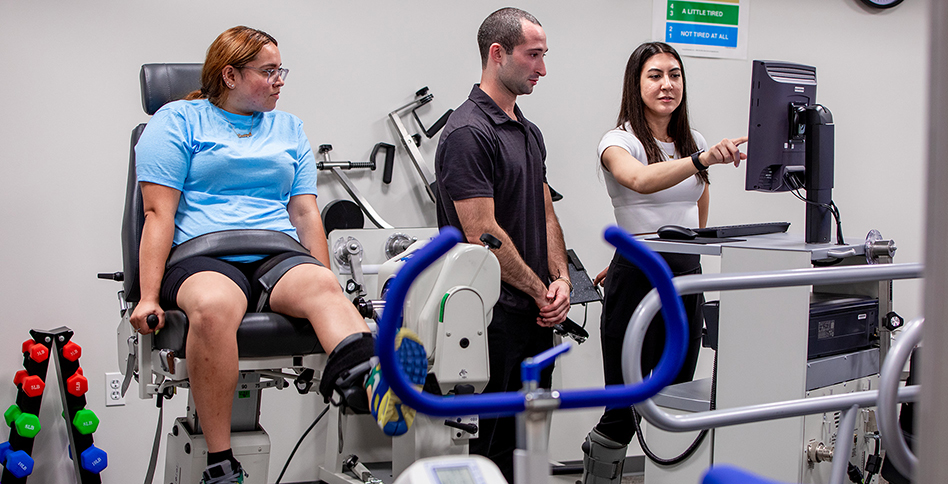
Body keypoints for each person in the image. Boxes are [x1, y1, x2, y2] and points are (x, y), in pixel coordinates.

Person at [130, 26, 427, 484]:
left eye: (280, 70)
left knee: (323, 288)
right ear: (229, 75)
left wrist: (326, 277)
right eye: (269, 71)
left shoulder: (289, 127)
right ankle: (221, 462)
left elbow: (306, 212)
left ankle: (363, 378)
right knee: (213, 307)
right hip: (201, 252)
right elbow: (157, 213)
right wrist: (148, 297)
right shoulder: (177, 120)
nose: (280, 80)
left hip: (274, 250)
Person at [580, 42, 746, 484]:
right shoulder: (619, 141)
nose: (667, 84)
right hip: (636, 283)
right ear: (636, 83)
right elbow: (639, 181)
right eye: (655, 75)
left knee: (675, 399)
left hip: (686, 282)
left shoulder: (694, 143)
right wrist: (700, 160)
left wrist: (683, 250)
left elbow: (698, 204)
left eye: (675, 74)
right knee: (624, 405)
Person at [434, 8, 571, 482]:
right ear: (498, 54)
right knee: (485, 452)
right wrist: (539, 291)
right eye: (534, 56)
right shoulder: (470, 132)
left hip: (534, 315)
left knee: (525, 448)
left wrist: (560, 279)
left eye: (544, 56)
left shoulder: (528, 132)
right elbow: (483, 234)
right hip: (486, 319)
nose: (543, 68)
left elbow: (546, 211)